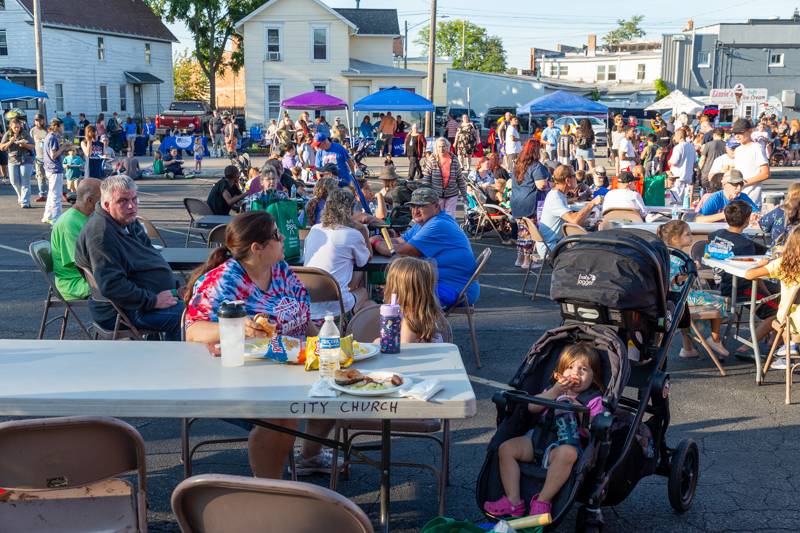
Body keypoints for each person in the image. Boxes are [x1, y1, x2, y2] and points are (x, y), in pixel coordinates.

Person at [184, 211, 340, 478]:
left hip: (291, 363)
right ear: (258, 248)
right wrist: (237, 326)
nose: (283, 239)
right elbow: (193, 330)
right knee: (281, 413)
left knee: (334, 382)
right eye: (277, 236)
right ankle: (270, 490)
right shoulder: (225, 281)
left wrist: (324, 347)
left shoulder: (279, 270)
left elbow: (301, 317)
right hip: (243, 373)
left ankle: (310, 456)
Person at [483, 342, 605, 519]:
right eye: (570, 367)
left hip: (563, 446)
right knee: (506, 449)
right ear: (559, 373)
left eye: (583, 369)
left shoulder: (593, 399)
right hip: (537, 439)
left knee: (568, 454)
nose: (575, 373)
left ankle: (542, 501)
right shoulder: (552, 389)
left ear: (593, 378)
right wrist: (554, 392)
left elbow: (594, 426)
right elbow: (532, 407)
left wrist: (578, 410)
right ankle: (513, 501)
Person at [75, 175, 184, 340]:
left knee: (205, 303)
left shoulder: (127, 220)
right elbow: (112, 285)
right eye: (123, 201)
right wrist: (153, 301)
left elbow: (150, 258)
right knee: (187, 316)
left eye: (134, 199)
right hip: (124, 311)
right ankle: (172, 364)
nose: (132, 206)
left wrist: (176, 290)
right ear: (106, 205)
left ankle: (162, 356)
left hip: (145, 301)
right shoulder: (100, 234)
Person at [372, 187, 479, 308]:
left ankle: (400, 324)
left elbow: (403, 251)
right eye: (413, 206)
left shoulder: (438, 225)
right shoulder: (425, 222)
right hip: (439, 283)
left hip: (454, 290)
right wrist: (378, 240)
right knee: (399, 286)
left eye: (421, 206)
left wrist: (375, 242)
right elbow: (399, 241)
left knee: (400, 289)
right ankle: (397, 323)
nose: (415, 211)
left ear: (436, 207)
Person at [657, 220, 729, 359]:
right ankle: (714, 339)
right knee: (721, 302)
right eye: (687, 234)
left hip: (677, 298)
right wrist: (690, 272)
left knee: (692, 315)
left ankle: (687, 348)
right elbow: (673, 280)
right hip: (682, 296)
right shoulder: (675, 258)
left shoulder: (669, 254)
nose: (691, 237)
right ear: (674, 239)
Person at [303, 188, 371, 320]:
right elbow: (366, 258)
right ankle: (348, 324)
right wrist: (363, 230)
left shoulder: (315, 229)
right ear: (350, 210)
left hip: (309, 303)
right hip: (336, 305)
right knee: (363, 291)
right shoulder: (352, 234)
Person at [744, 227, 800, 368]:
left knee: (785, 317)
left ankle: (789, 352)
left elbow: (749, 275)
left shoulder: (783, 264)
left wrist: (760, 264)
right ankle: (791, 348)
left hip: (791, 322)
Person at [51, 178, 102, 301]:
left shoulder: (88, 216)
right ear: (90, 200)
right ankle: (122, 319)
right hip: (76, 282)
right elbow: (82, 263)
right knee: (126, 285)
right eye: (102, 199)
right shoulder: (69, 223)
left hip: (89, 277)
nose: (107, 203)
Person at [537, 165, 602, 258]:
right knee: (594, 247)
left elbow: (569, 219)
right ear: (567, 180)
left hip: (555, 243)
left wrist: (589, 221)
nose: (576, 178)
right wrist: (592, 203)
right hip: (551, 247)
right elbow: (575, 221)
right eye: (574, 176)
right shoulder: (555, 197)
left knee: (592, 240)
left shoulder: (558, 194)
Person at [707, 200, 767, 300]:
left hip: (718, 283)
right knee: (777, 305)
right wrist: (767, 293)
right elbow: (753, 272)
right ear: (747, 221)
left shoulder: (714, 235)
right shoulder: (745, 244)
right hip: (739, 290)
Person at [381, 257, 446, 343]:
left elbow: (404, 350)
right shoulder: (423, 316)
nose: (385, 289)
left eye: (389, 285)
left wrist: (380, 343)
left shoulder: (409, 322)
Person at [511, 139, 550, 268]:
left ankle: (519, 258)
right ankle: (528, 261)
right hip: (530, 202)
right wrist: (551, 184)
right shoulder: (536, 166)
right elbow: (541, 185)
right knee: (529, 232)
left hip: (516, 201)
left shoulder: (518, 164)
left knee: (521, 232)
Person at [421, 137, 466, 218]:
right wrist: (425, 193)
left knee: (449, 216)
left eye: (443, 146)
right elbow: (427, 177)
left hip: (452, 193)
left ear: (447, 147)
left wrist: (464, 194)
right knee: (437, 216)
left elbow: (460, 178)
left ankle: (448, 230)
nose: (441, 149)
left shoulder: (454, 160)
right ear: (436, 148)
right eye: (439, 147)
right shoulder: (432, 159)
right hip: (436, 194)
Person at [732, 118, 770, 205]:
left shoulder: (757, 147)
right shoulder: (737, 150)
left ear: (750, 131)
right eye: (735, 133)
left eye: (740, 132)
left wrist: (743, 183)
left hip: (752, 198)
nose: (737, 136)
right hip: (737, 196)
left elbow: (766, 173)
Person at [0, 117, 35, 208]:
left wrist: (24, 145)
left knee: (25, 181)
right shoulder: (7, 134)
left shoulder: (25, 133)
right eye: (15, 127)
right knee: (14, 181)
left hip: (26, 158)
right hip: (13, 160)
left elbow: (32, 146)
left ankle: (25, 202)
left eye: (18, 127)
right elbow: (2, 147)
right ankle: (21, 197)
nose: (17, 129)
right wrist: (10, 142)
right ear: (10, 126)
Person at [42, 118, 70, 225]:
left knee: (51, 194)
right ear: (57, 126)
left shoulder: (48, 136)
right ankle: (56, 219)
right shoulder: (53, 138)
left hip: (49, 169)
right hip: (55, 169)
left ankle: (47, 216)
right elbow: (54, 155)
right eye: (62, 126)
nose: (63, 128)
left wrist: (63, 147)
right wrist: (64, 147)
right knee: (56, 196)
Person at [667, 128, 696, 205]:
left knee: (676, 200)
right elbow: (694, 162)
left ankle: (676, 215)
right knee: (685, 200)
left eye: (675, 136)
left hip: (677, 177)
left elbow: (674, 161)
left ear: (680, 136)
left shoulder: (678, 147)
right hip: (688, 176)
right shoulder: (691, 147)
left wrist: (669, 161)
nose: (674, 138)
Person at [30, 113, 48, 202]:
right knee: (40, 176)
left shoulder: (48, 129)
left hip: (48, 158)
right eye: (36, 120)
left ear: (43, 120)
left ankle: (53, 193)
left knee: (50, 177)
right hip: (38, 157)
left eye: (40, 120)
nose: (38, 122)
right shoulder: (32, 130)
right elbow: (30, 142)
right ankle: (42, 194)